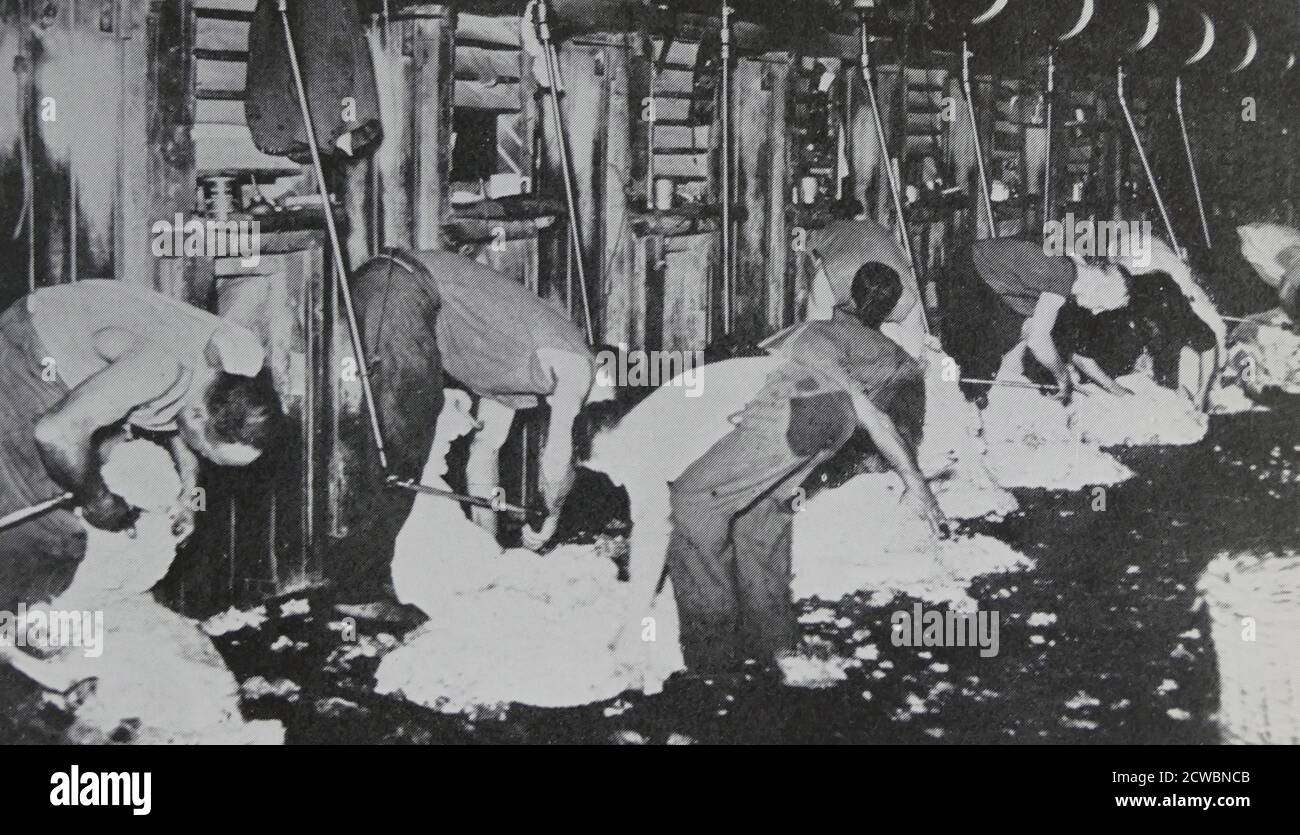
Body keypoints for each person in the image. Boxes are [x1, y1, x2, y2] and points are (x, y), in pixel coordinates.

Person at [663, 262, 947, 673]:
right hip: (831, 428)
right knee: (758, 517)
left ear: (845, 297)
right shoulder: (891, 354)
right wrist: (912, 475)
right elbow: (882, 418)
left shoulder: (812, 332)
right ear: (888, 310)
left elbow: (756, 375)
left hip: (797, 412)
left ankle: (712, 661)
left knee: (692, 501)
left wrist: (916, 483)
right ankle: (777, 643)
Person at [0, 279, 280, 612]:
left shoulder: (236, 363)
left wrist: (187, 496)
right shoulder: (157, 371)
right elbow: (54, 434)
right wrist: (99, 501)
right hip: (34, 354)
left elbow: (249, 287)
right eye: (207, 452)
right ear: (196, 414)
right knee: (47, 527)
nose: (204, 457)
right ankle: (17, 630)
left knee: (88, 471)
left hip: (81, 354)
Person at [349, 248, 610, 553]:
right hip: (407, 284)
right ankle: (363, 587)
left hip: (388, 286)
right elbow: (556, 459)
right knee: (404, 443)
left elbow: (484, 453)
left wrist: (490, 549)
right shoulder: (577, 363)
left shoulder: (523, 382)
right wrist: (551, 516)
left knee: (399, 441)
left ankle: (374, 575)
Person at [939, 238, 1131, 403]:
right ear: (1100, 281)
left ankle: (998, 394)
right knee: (980, 369)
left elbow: (1077, 353)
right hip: (967, 272)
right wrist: (1063, 377)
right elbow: (1039, 342)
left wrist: (1115, 389)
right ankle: (973, 404)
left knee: (1036, 330)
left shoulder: (1070, 273)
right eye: (1103, 305)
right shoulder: (1063, 275)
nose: (1097, 312)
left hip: (986, 279)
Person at [804, 199, 926, 359]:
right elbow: (913, 361)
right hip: (893, 294)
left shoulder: (827, 233)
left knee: (816, 342)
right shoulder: (885, 233)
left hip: (840, 280)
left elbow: (813, 342)